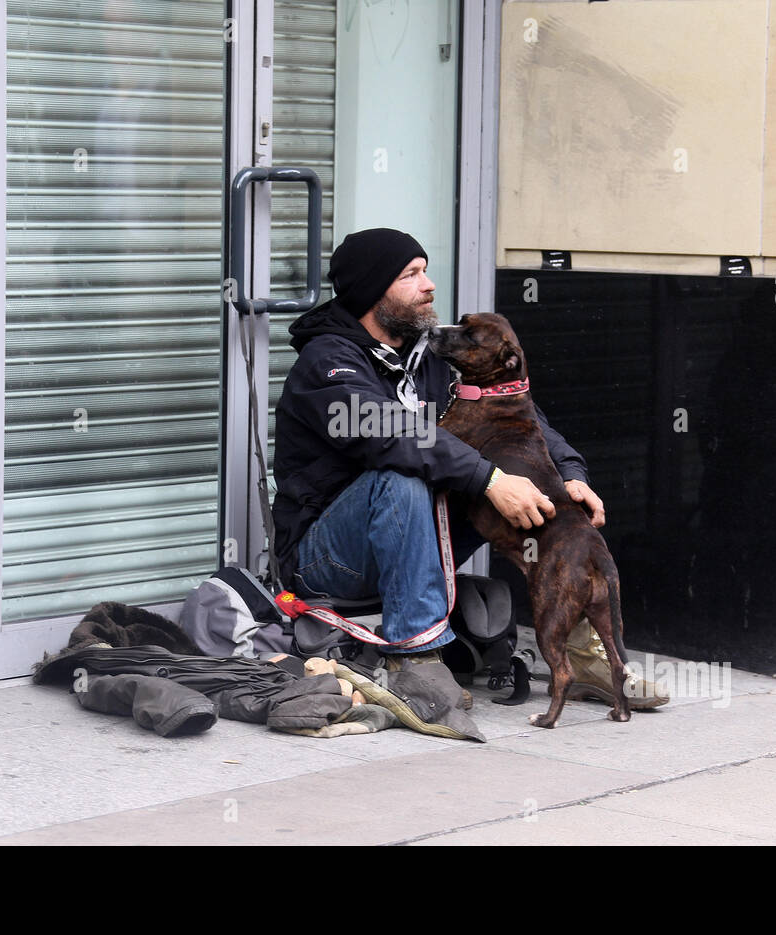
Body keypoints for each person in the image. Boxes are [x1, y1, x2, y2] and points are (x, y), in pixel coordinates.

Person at [272, 228, 665, 707]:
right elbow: (389, 433)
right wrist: (490, 479)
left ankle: (581, 659)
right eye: (411, 275)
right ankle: (416, 660)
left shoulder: (433, 355)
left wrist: (568, 476)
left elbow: (517, 416)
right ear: (372, 291)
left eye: (425, 270)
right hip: (330, 558)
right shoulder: (327, 362)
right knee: (405, 472)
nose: (429, 284)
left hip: (418, 540)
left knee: (551, 507)